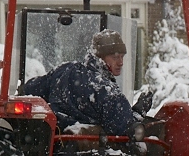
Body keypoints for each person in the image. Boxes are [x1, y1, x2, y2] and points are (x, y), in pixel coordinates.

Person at [23, 29, 152, 135]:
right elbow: (125, 129)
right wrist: (139, 112)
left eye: (122, 57)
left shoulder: (64, 70)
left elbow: (29, 90)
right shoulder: (107, 91)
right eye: (115, 57)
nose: (121, 62)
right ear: (100, 57)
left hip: (54, 144)